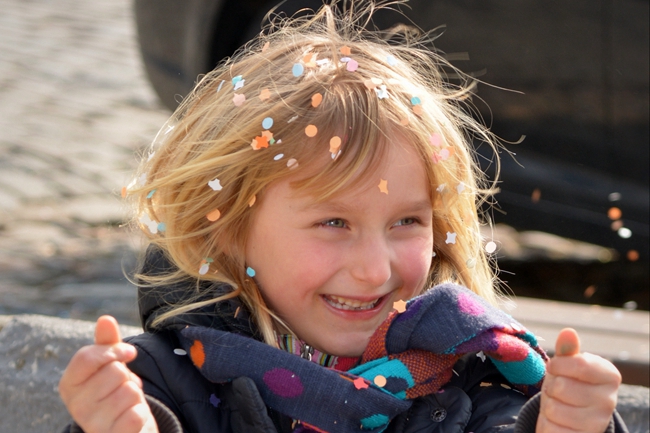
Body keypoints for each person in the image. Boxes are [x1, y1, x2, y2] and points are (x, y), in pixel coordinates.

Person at [58, 2, 626, 432]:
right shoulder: (164, 385)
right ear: (227, 228)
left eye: (406, 222)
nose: (374, 270)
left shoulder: (480, 375)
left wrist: (566, 425)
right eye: (334, 224)